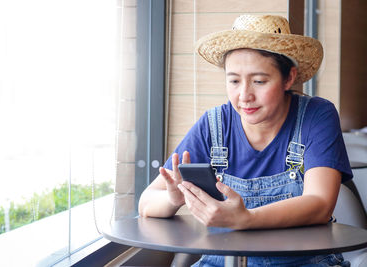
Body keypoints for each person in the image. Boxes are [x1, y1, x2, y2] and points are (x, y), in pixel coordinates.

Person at [138, 14, 353, 267]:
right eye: (234, 81)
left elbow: (320, 203)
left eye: (259, 81)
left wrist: (246, 218)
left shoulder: (316, 116)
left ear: (289, 78)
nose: (244, 96)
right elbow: (146, 203)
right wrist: (175, 199)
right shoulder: (214, 125)